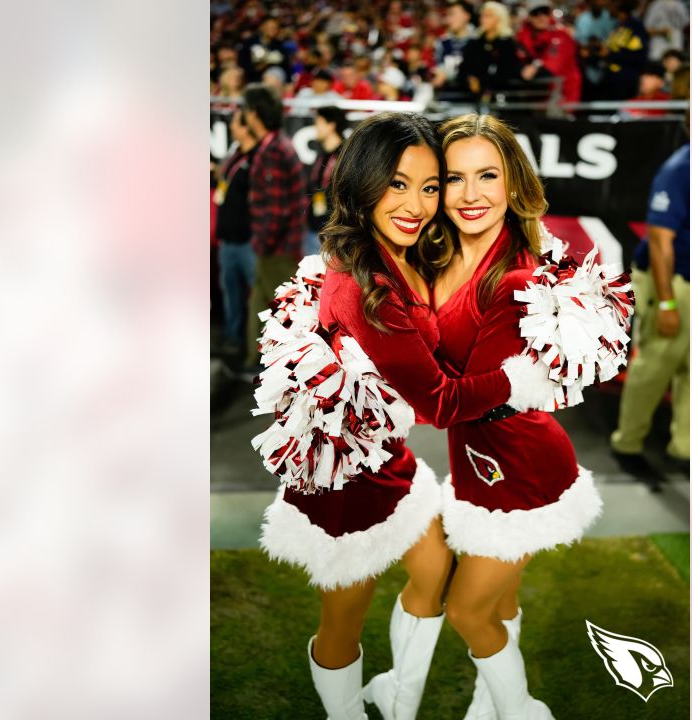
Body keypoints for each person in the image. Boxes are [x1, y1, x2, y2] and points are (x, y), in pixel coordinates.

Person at [255, 112, 554, 720]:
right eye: (397, 184)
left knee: (435, 573)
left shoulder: (402, 251)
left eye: (427, 185)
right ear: (362, 182)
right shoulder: (366, 285)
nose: (416, 204)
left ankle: (397, 696)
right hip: (345, 480)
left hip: (390, 457)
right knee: (343, 620)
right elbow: (439, 401)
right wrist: (520, 380)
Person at [433, 113, 608, 719]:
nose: (471, 194)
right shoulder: (445, 255)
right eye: (455, 178)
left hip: (520, 463)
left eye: (488, 175)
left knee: (466, 610)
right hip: (477, 458)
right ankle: (492, 702)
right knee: (500, 605)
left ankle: (520, 711)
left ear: (513, 183)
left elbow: (462, 393)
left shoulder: (515, 278)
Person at [611, 139, 690, 480]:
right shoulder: (681, 168)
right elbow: (660, 243)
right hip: (672, 280)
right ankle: (627, 444)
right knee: (656, 363)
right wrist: (668, 302)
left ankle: (685, 449)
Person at [241, 84, 309, 372]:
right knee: (264, 306)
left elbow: (278, 210)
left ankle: (283, 371)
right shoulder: (277, 144)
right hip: (278, 247)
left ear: (254, 114)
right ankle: (256, 364)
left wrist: (262, 245)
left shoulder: (273, 150)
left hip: (277, 250)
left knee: (282, 314)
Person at [213, 111, 259, 361]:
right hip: (228, 240)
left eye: (235, 122)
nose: (231, 125)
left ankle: (258, 346)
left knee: (256, 295)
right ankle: (234, 337)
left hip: (248, 242)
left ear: (245, 127)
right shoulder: (235, 153)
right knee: (230, 291)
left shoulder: (256, 158)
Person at [516, 0, 582, 105]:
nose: (541, 17)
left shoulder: (561, 36)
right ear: (529, 16)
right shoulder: (523, 36)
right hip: (536, 99)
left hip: (562, 98)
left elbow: (552, 68)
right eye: (536, 13)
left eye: (545, 12)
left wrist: (534, 67)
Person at [460, 1, 525, 103]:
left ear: (499, 18)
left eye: (488, 16)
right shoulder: (474, 42)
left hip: (502, 97)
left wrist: (484, 83)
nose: (483, 19)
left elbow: (507, 71)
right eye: (482, 16)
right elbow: (464, 68)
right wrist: (470, 78)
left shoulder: (508, 43)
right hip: (473, 98)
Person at [303, 106, 347, 256]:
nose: (315, 127)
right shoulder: (322, 154)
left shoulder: (345, 155)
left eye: (319, 123)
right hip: (315, 228)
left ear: (331, 125)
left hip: (333, 234)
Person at [600, 0, 649, 100]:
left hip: (625, 80)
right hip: (610, 78)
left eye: (610, 5)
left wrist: (609, 54)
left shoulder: (635, 26)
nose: (608, 9)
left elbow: (638, 55)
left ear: (618, 6)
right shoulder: (617, 25)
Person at [433, 1, 477, 93]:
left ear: (466, 16)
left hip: (472, 95)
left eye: (453, 14)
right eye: (448, 15)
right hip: (447, 94)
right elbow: (439, 67)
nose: (449, 20)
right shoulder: (442, 42)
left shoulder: (478, 41)